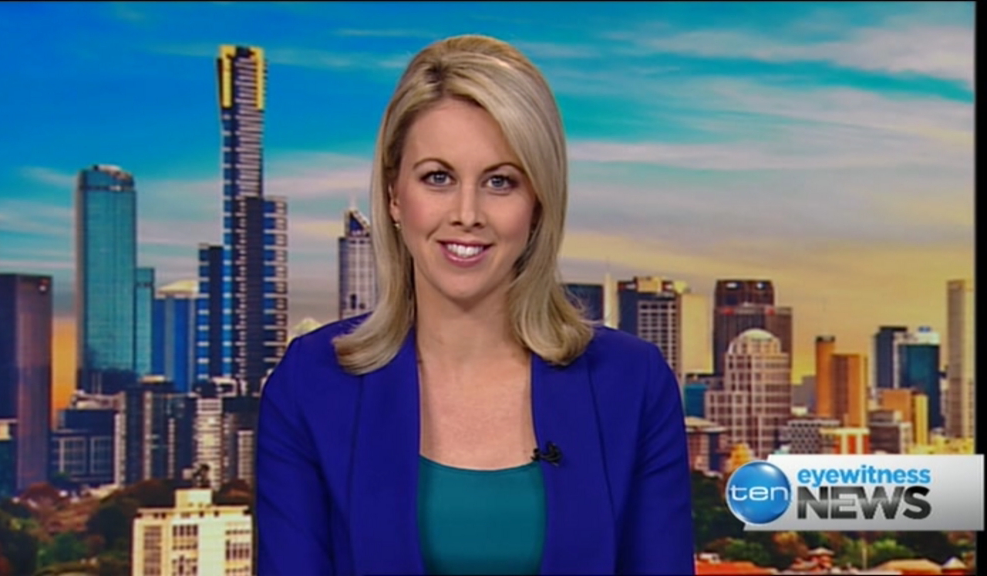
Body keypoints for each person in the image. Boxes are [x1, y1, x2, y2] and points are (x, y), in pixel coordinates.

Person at [256, 34, 696, 576]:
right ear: (394, 195)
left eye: (500, 181)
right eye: (438, 178)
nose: (467, 213)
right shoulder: (310, 384)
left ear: (538, 203)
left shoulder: (632, 384)